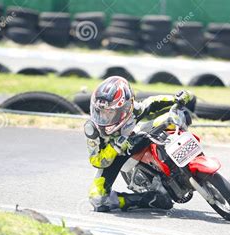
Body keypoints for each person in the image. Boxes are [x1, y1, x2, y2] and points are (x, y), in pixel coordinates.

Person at [84, 76, 195, 212]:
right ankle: (149, 199)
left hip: (138, 138)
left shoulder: (133, 110)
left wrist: (176, 98)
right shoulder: (92, 129)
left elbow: (152, 102)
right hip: (113, 157)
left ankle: (185, 161)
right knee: (97, 199)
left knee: (170, 120)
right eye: (99, 112)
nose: (103, 117)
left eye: (110, 112)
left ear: (125, 108)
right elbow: (97, 161)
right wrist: (115, 147)